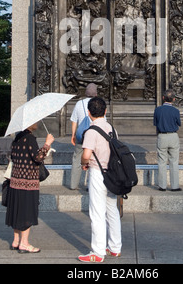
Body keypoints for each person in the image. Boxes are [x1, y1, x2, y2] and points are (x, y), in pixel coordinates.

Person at [78, 97, 122, 263]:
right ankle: (115, 247)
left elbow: (86, 155)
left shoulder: (91, 131)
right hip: (112, 174)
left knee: (97, 213)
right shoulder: (111, 128)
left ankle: (97, 252)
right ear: (105, 111)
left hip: (97, 173)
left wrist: (84, 163)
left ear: (89, 113)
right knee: (112, 210)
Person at [5, 123, 54, 253]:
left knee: (17, 210)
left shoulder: (17, 137)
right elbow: (37, 158)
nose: (37, 123)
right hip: (28, 182)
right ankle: (24, 243)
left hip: (15, 181)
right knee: (27, 212)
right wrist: (47, 144)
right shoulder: (30, 138)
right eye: (36, 121)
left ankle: (16, 241)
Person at [70, 83, 98, 190]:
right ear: (96, 93)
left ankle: (73, 185)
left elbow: (74, 121)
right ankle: (90, 184)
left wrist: (73, 135)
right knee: (92, 160)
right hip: (93, 136)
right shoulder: (97, 103)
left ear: (86, 93)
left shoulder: (79, 104)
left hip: (81, 136)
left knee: (77, 159)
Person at [153, 90, 182, 192]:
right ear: (174, 99)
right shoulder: (176, 111)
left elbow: (156, 123)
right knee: (174, 161)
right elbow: (179, 123)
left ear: (163, 98)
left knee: (162, 161)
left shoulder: (157, 110)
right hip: (173, 136)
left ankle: (162, 186)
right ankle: (174, 186)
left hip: (162, 136)